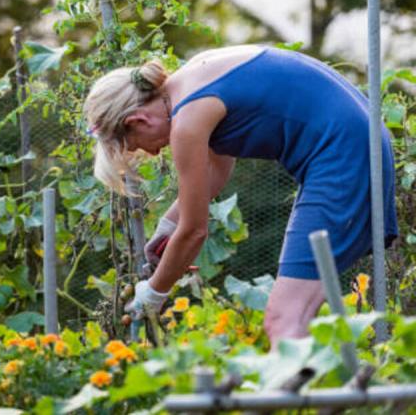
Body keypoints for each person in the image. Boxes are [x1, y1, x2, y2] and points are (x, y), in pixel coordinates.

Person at [83, 44, 398, 349]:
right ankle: (327, 395)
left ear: (137, 121)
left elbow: (195, 232)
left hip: (343, 157)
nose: (151, 151)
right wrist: (167, 228)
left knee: (284, 320)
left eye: (137, 145)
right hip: (358, 141)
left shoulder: (187, 121)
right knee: (297, 318)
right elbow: (215, 174)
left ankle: (309, 402)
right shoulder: (194, 80)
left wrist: (153, 293)